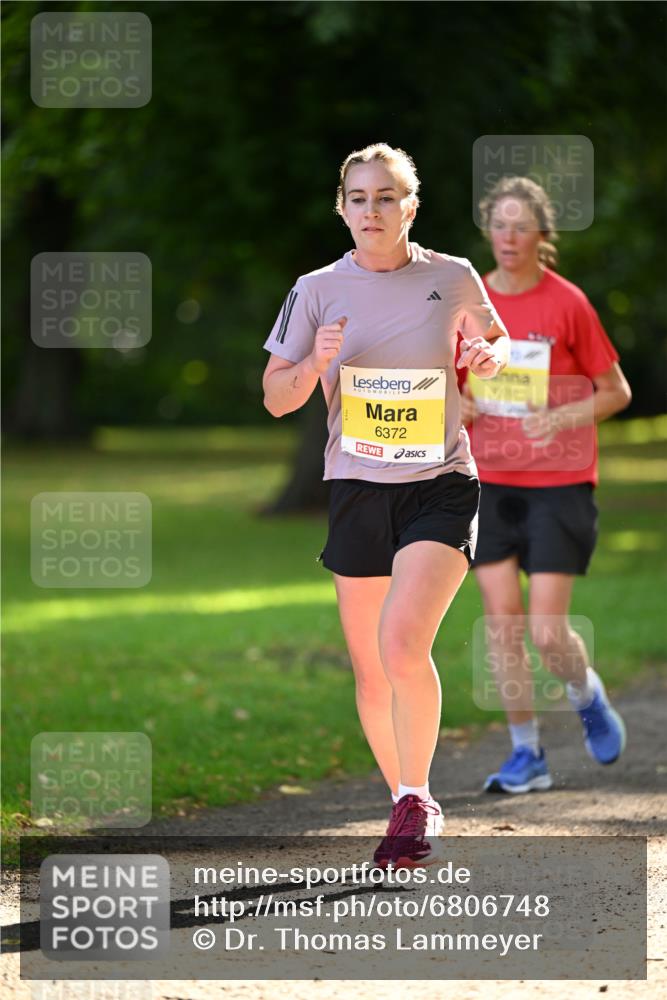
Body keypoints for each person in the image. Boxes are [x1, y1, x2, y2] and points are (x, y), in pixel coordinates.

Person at [262, 143, 509, 867]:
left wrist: (490, 362)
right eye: (359, 198)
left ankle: (416, 796)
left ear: (411, 206)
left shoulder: (454, 277)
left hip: (440, 481)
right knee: (372, 668)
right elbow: (277, 398)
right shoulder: (314, 289)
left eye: (387, 196)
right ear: (341, 207)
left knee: (403, 642)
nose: (373, 210)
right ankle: (402, 797)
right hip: (355, 489)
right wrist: (314, 362)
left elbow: (497, 365)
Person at [460, 175, 632, 794]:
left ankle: (586, 694)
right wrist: (461, 405)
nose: (508, 236)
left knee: (545, 631)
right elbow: (452, 387)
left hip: (559, 483)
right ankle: (526, 753)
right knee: (501, 623)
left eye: (520, 226)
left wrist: (559, 414)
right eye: (499, 225)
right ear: (489, 230)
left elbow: (617, 390)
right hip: (488, 481)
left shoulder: (568, 303)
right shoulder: (468, 301)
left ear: (541, 235)